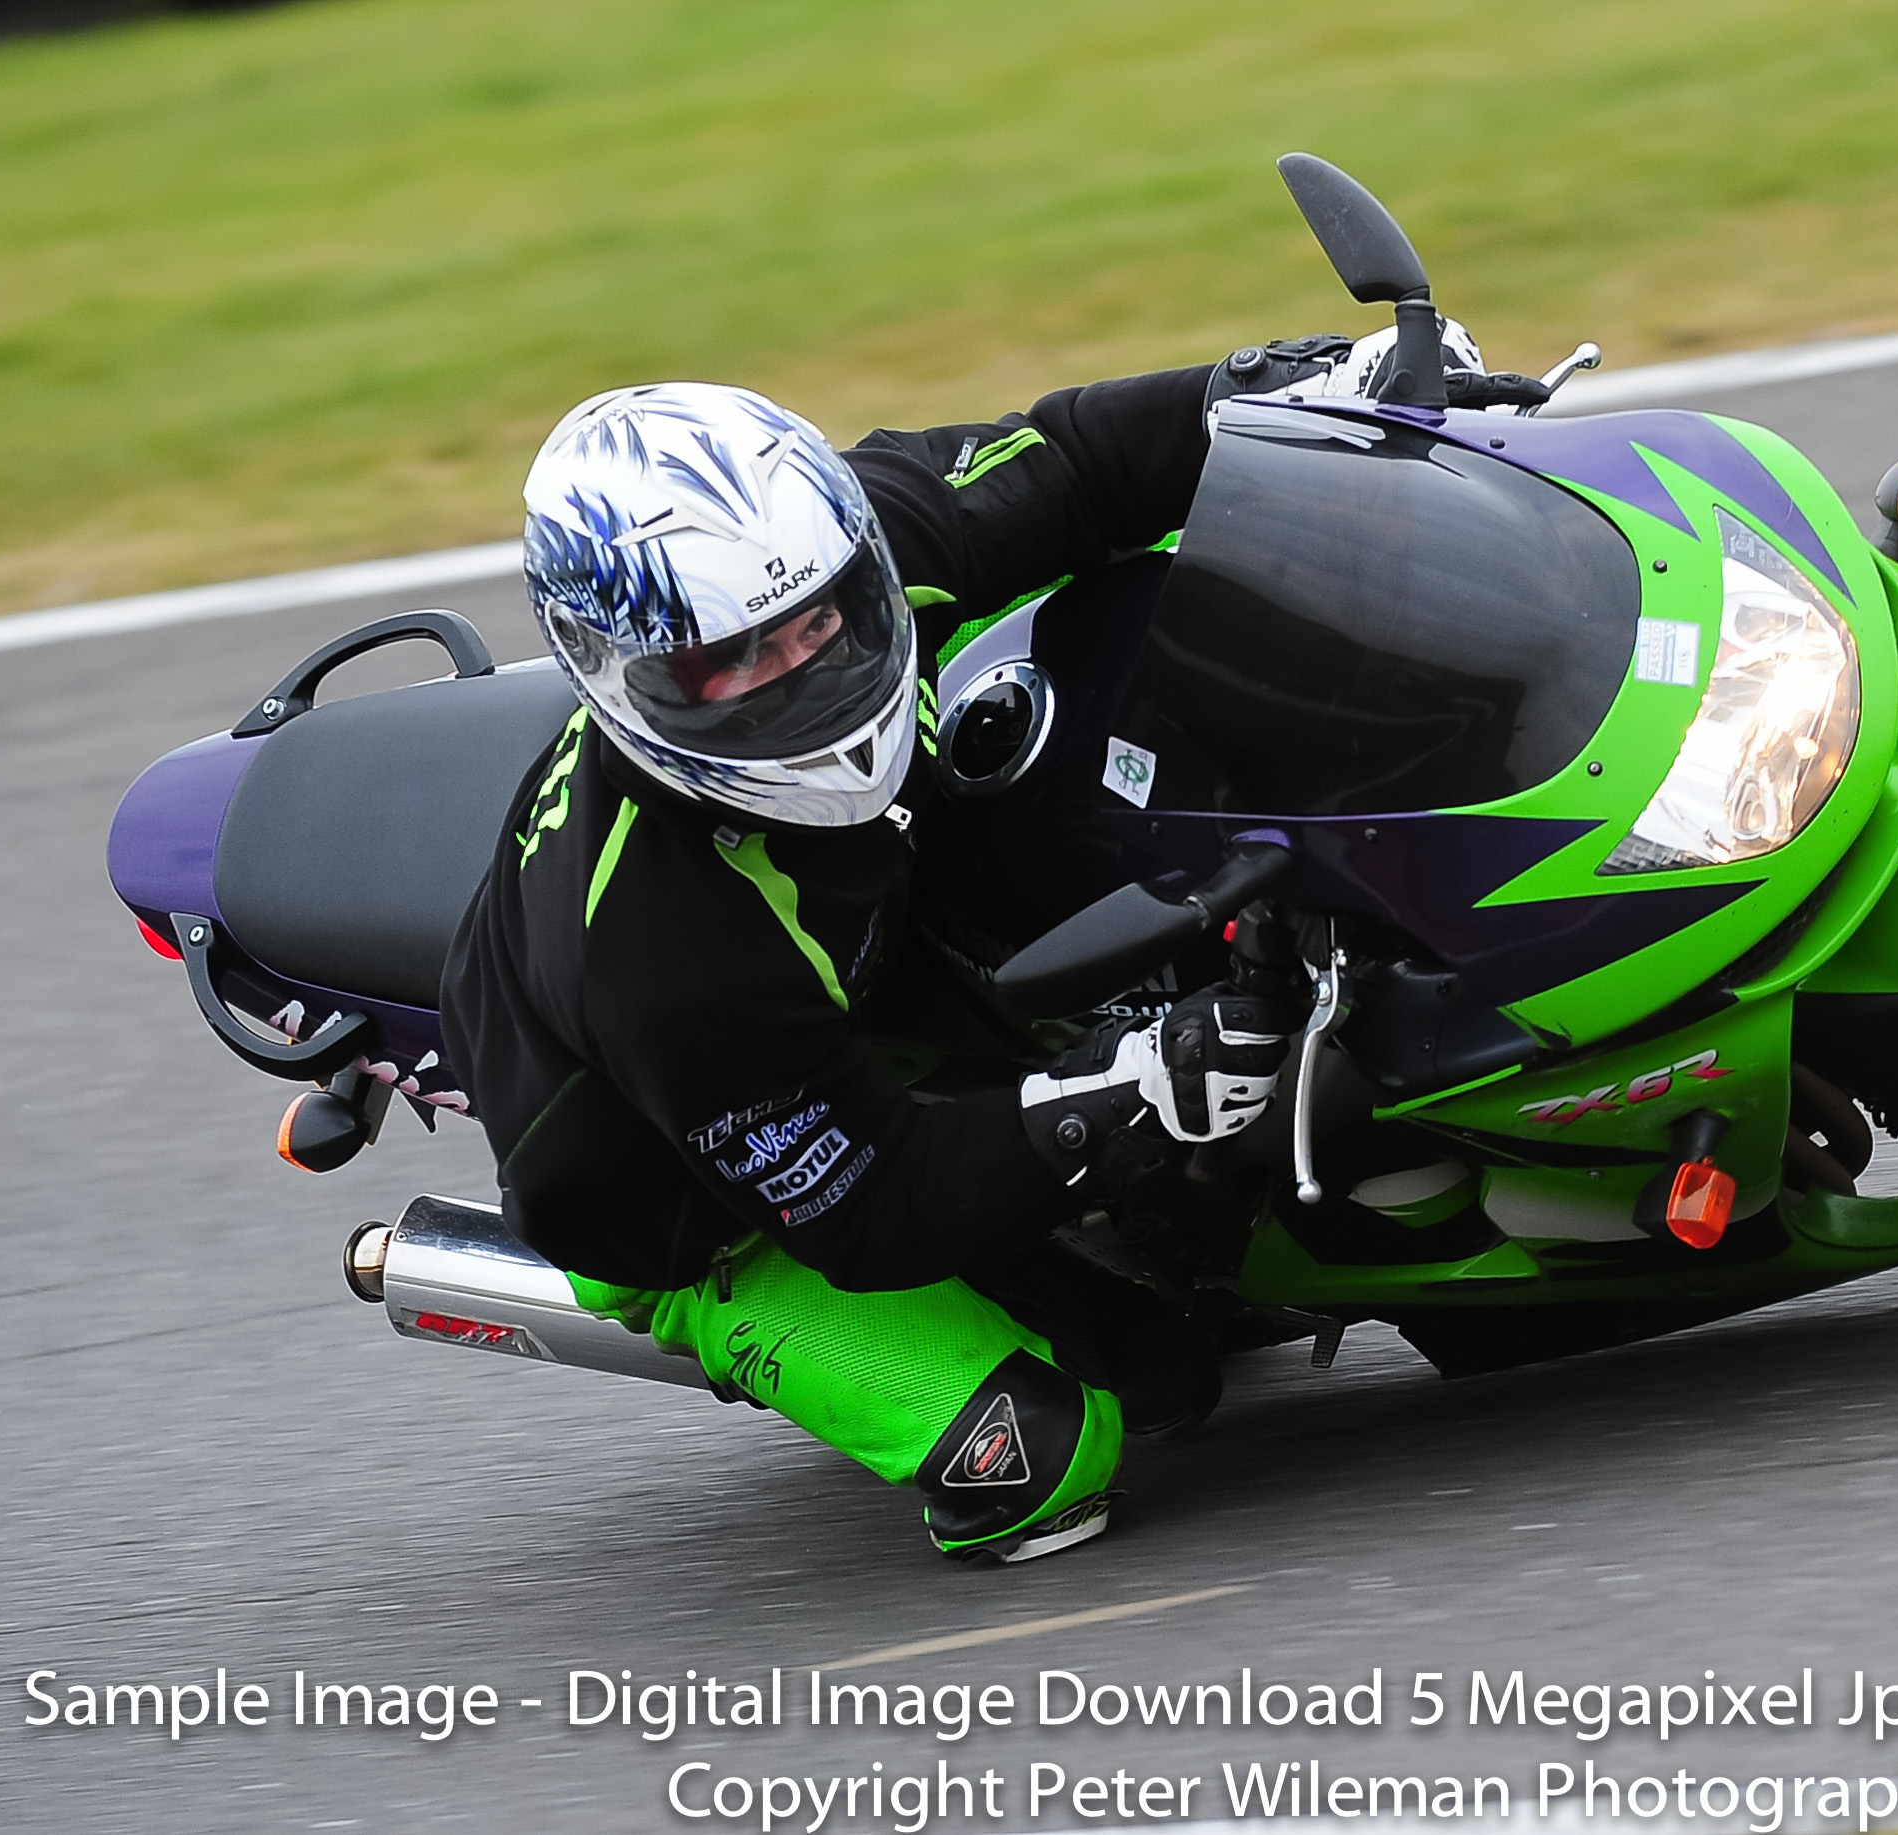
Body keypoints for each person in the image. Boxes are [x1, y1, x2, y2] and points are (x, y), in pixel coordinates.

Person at [439, 347, 1375, 1563]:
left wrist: (1269, 396)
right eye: (729, 664)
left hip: (870, 963)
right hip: (708, 1203)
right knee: (1074, 1435)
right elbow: (869, 1206)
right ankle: (725, 1317)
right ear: (617, 674)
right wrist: (1124, 1093)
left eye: (817, 624)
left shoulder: (856, 537)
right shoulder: (667, 945)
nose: (798, 680)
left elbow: (1076, 462)